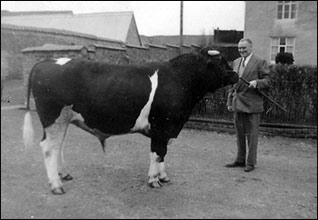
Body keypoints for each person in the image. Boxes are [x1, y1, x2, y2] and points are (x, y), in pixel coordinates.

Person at [226, 38, 271, 172]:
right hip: (237, 102)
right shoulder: (236, 62)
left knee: (252, 135)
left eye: (244, 48)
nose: (241, 51)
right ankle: (240, 160)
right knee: (239, 134)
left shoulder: (260, 62)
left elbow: (268, 80)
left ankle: (251, 162)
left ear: (251, 48)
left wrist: (257, 83)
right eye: (239, 48)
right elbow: (232, 84)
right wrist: (229, 101)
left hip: (252, 104)